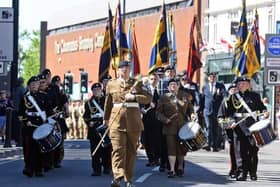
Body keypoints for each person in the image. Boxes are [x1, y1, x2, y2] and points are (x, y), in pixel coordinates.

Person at [103, 61, 152, 187]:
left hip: (133, 122)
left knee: (131, 152)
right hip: (116, 121)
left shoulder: (137, 83)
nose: (125, 71)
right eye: (122, 69)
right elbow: (108, 103)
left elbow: (148, 98)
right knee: (118, 150)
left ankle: (128, 179)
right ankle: (118, 176)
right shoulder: (111, 84)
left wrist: (135, 97)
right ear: (118, 71)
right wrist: (106, 119)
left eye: (127, 69)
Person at [218, 76, 267, 181]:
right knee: (240, 152)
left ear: (249, 85)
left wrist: (265, 113)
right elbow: (226, 113)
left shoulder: (255, 96)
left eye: (245, 83)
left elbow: (262, 109)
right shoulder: (231, 97)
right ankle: (241, 173)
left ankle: (253, 172)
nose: (243, 85)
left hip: (253, 126)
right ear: (237, 85)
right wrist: (230, 122)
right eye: (240, 83)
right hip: (239, 127)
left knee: (253, 150)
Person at [156, 78, 193, 178]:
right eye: (171, 85)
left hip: (183, 127)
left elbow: (191, 109)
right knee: (171, 148)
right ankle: (172, 170)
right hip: (169, 127)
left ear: (178, 86)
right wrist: (165, 119)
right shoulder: (164, 98)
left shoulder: (185, 96)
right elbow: (158, 113)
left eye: (175, 84)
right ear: (168, 87)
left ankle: (180, 168)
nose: (173, 86)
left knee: (181, 148)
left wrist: (193, 115)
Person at [18, 76, 50, 177]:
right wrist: (25, 120)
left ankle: (39, 169)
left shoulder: (44, 96)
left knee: (40, 147)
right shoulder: (25, 97)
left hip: (41, 124)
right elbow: (20, 113)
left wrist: (49, 121)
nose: (34, 86)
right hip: (29, 125)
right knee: (28, 147)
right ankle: (28, 167)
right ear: (29, 86)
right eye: (32, 84)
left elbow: (49, 110)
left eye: (36, 84)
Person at [83, 82, 112, 176]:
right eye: (95, 90)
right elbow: (86, 116)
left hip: (105, 128)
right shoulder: (88, 103)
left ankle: (107, 167)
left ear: (101, 90)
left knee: (107, 149)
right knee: (95, 150)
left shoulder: (107, 101)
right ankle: (96, 169)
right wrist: (88, 122)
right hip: (94, 129)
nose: (97, 91)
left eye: (98, 90)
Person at [218, 83, 242, 178]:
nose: (233, 91)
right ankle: (234, 169)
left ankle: (244, 169)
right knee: (233, 150)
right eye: (231, 90)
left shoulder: (242, 101)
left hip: (243, 129)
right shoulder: (225, 102)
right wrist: (227, 125)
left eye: (235, 89)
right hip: (231, 130)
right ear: (228, 91)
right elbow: (220, 117)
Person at [201, 72, 227, 152]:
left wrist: (222, 93)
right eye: (211, 77)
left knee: (216, 128)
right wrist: (200, 109)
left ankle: (215, 146)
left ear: (216, 78)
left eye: (214, 77)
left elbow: (225, 94)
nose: (212, 78)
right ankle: (208, 144)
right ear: (208, 78)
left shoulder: (220, 86)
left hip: (217, 111)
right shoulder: (205, 87)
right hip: (207, 110)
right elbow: (202, 99)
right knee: (208, 127)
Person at [141, 73, 161, 167]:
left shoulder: (159, 90)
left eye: (155, 79)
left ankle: (156, 158)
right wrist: (141, 109)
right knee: (146, 139)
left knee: (156, 139)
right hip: (146, 118)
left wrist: (156, 105)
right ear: (149, 80)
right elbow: (140, 101)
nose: (153, 81)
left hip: (157, 119)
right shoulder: (145, 90)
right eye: (152, 79)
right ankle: (150, 159)